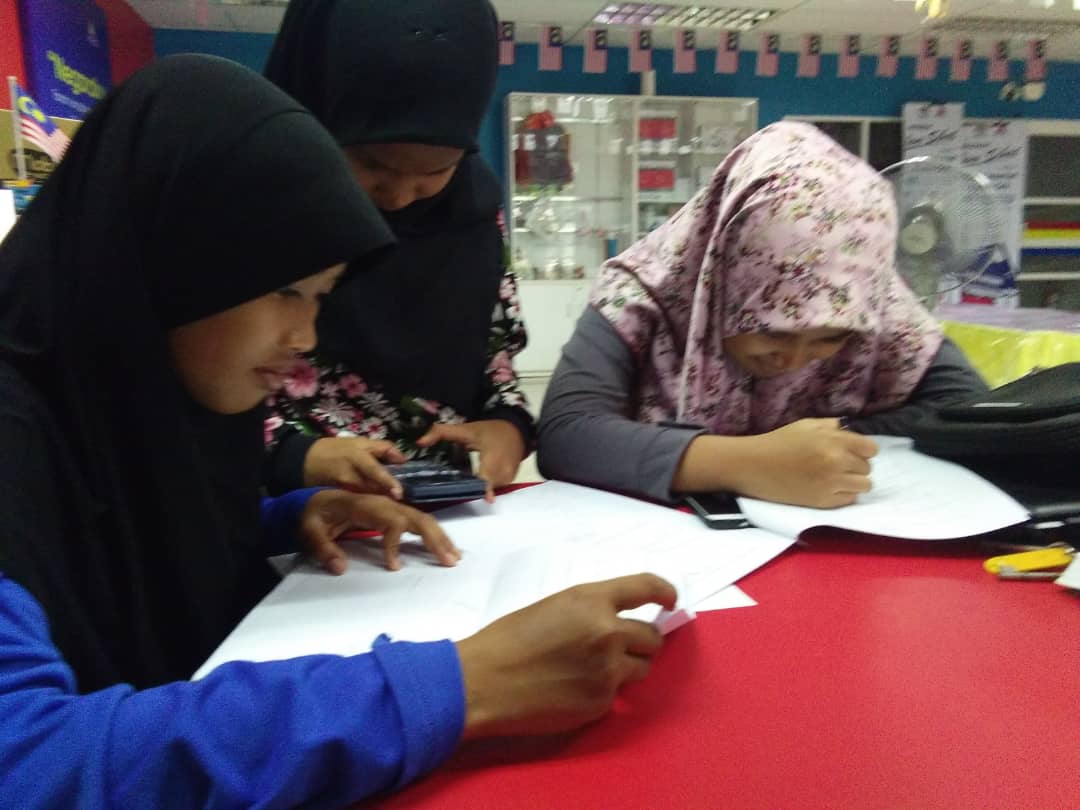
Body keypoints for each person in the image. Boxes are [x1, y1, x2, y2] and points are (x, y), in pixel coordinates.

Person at [0, 56, 676, 808]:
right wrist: (460, 686)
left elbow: (115, 546)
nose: (305, 338)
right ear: (171, 254)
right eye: (286, 291)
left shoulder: (128, 397)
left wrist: (286, 517)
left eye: (321, 298)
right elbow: (25, 763)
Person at [537, 122, 990, 508]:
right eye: (774, 331)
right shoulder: (640, 294)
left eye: (831, 338)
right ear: (723, 273)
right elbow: (566, 435)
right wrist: (749, 461)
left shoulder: (867, 293)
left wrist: (827, 442)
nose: (795, 360)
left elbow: (968, 411)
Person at [262, 0, 532, 500]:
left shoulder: (472, 215)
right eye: (373, 165)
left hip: (443, 515)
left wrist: (507, 424)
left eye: (436, 171)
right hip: (292, 514)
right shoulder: (253, 208)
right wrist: (293, 458)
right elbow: (194, 391)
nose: (401, 196)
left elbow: (496, 357)